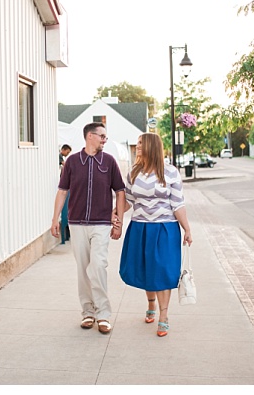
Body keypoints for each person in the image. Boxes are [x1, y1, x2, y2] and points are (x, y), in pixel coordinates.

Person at [51, 123, 126, 334]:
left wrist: (118, 221)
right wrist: (55, 219)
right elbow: (62, 191)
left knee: (99, 265)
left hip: (101, 224)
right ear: (90, 136)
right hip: (77, 223)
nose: (105, 140)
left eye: (105, 136)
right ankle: (88, 312)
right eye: (102, 136)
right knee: (83, 268)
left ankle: (103, 314)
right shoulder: (72, 161)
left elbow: (120, 192)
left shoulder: (109, 161)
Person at [118, 133, 193, 337]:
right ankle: (151, 304)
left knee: (162, 272)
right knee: (146, 269)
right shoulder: (133, 173)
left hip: (165, 229)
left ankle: (164, 316)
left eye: (141, 143)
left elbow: (178, 204)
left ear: (152, 146)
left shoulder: (170, 172)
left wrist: (187, 229)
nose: (138, 146)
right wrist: (113, 213)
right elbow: (128, 202)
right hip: (140, 228)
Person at [59, 144, 72, 244]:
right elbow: (66, 165)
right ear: (64, 150)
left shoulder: (61, 157)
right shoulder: (59, 156)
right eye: (67, 152)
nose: (67, 154)